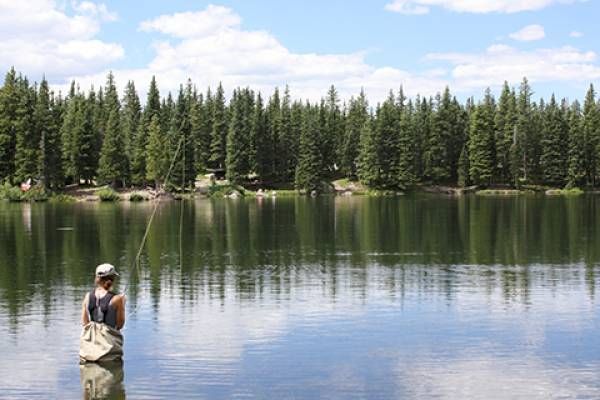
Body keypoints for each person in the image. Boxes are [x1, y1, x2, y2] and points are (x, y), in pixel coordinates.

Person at [80, 263, 126, 363]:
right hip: (109, 352)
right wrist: (122, 305)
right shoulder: (117, 299)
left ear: (97, 278)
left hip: (89, 351)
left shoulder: (88, 296)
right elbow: (119, 325)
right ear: (112, 279)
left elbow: (84, 323)